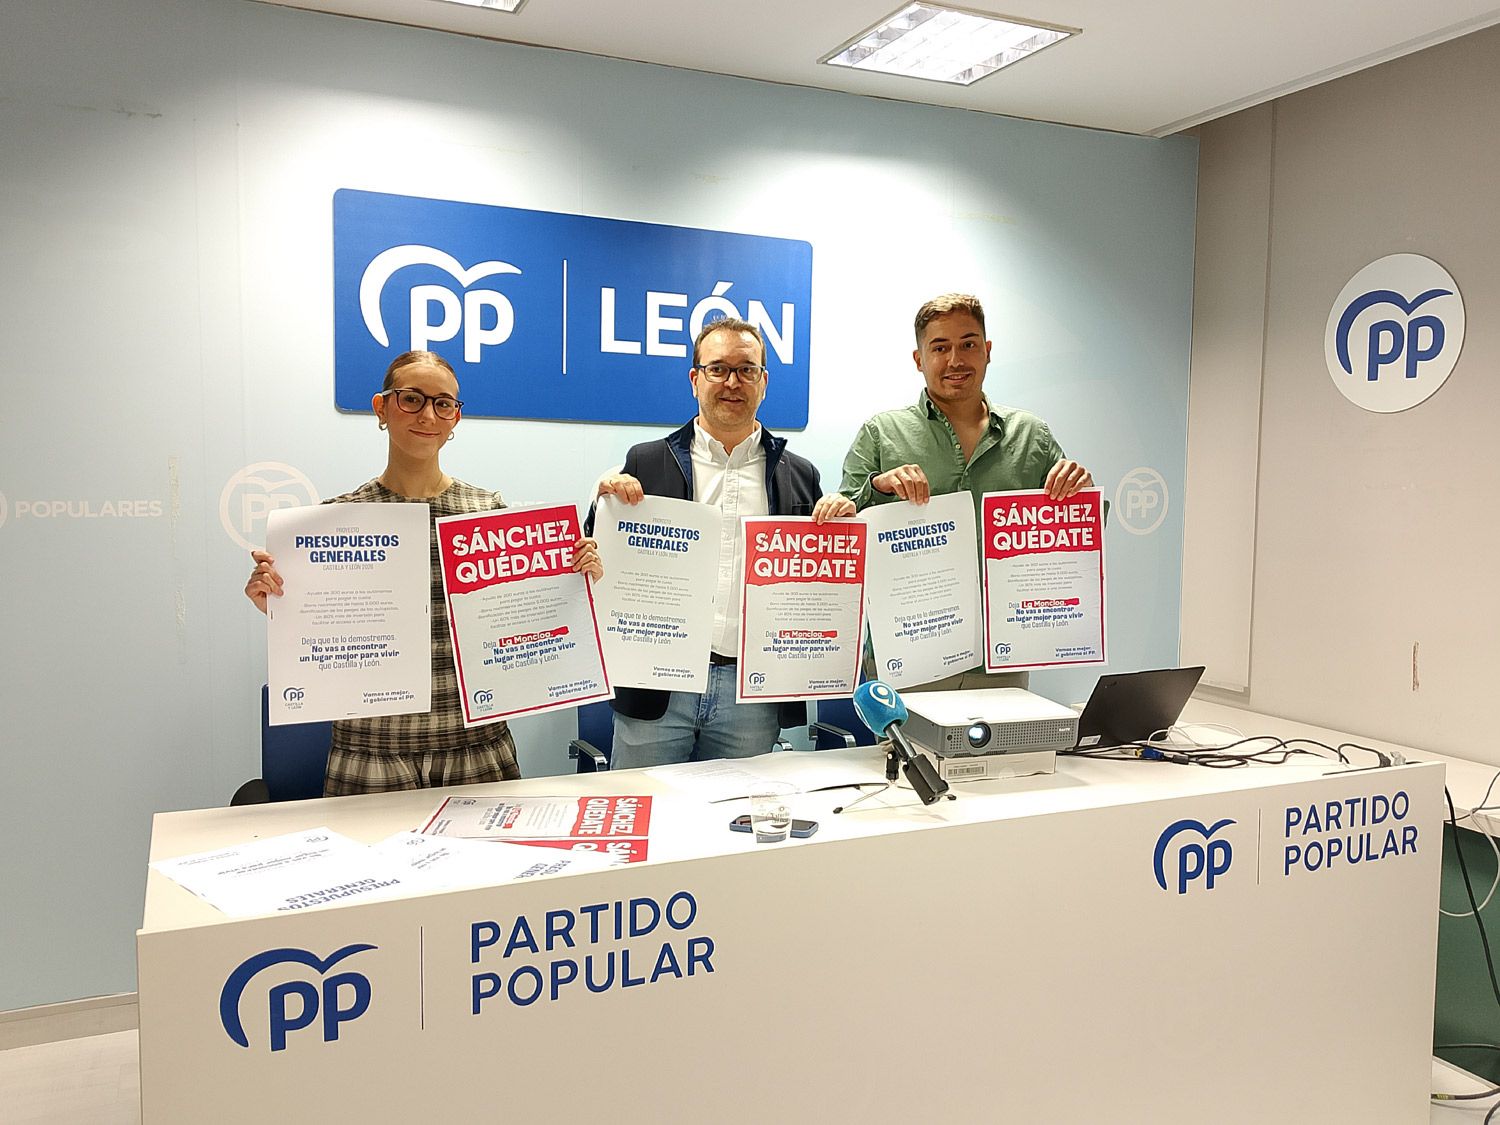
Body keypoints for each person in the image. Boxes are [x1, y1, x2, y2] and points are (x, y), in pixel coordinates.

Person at [244, 349, 602, 796]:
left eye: (444, 403)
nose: (428, 415)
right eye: (411, 398)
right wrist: (280, 605)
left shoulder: (487, 514)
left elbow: (531, 623)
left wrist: (575, 578)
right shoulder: (336, 521)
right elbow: (321, 632)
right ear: (382, 407)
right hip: (371, 754)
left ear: (455, 418)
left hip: (476, 752)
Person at [588, 317, 854, 769]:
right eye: (718, 369)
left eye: (747, 370)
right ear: (695, 379)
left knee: (737, 824)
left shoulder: (801, 473)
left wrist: (844, 525)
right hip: (658, 687)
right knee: (645, 816)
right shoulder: (645, 461)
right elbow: (595, 561)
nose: (733, 382)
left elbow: (817, 580)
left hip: (750, 691)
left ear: (764, 383)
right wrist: (599, 510)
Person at [816, 292, 1095, 690]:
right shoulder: (881, 433)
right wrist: (874, 490)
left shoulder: (1031, 434)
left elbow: (1076, 540)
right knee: (910, 756)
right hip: (909, 655)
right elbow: (843, 530)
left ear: (988, 350)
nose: (955, 360)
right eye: (940, 348)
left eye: (968, 344)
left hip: (1001, 656)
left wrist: (1080, 494)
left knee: (1001, 754)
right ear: (919, 359)